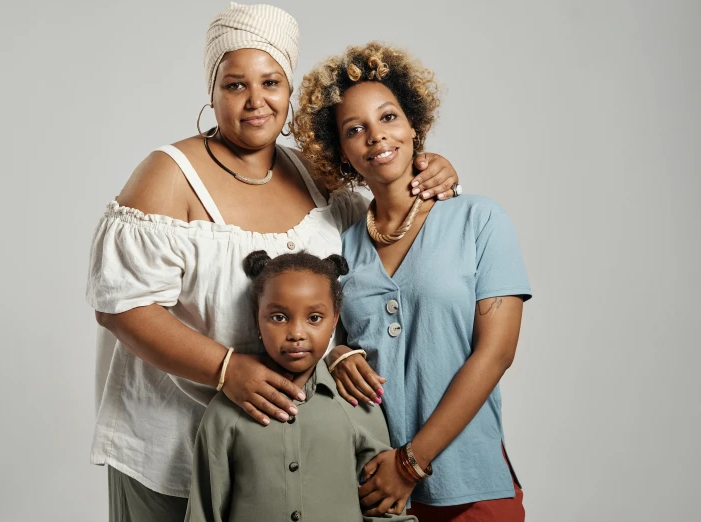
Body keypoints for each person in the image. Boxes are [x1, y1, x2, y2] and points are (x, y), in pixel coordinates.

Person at [86, 4, 460, 520]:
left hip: (280, 464)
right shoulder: (168, 175)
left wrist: (428, 168)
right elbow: (121, 307)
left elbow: (377, 240)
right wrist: (225, 370)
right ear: (212, 92)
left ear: (289, 90)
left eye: (271, 82)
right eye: (235, 85)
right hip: (169, 449)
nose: (255, 101)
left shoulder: (315, 177)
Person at [292, 42, 532, 521]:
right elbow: (321, 337)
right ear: (342, 151)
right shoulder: (341, 247)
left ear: (413, 124)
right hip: (373, 487)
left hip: (467, 479)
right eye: (354, 130)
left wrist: (411, 462)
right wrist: (336, 353)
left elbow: (497, 353)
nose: (376, 137)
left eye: (388, 117)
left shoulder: (480, 220)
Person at [185, 250, 416, 522]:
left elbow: (385, 509)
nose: (296, 333)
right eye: (279, 317)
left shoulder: (357, 405)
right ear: (256, 317)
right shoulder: (225, 413)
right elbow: (204, 511)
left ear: (334, 321)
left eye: (314, 318)